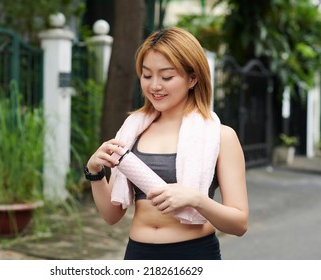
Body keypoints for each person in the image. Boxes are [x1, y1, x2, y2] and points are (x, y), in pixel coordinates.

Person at [85, 27, 248, 260]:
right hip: (138, 254)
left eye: (167, 76)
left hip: (194, 254)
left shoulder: (220, 136)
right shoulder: (133, 131)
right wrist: (95, 172)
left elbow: (239, 224)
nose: (154, 86)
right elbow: (112, 215)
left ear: (193, 78)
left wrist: (196, 199)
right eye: (147, 75)